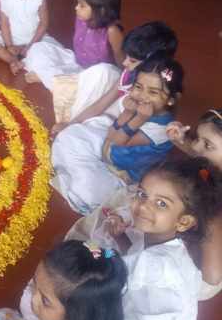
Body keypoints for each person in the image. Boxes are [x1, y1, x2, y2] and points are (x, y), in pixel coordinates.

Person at [94, 158, 221, 320]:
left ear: (183, 222)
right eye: (142, 194)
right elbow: (134, 259)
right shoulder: (166, 244)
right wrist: (119, 238)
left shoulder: (157, 267)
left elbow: (126, 266)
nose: (143, 206)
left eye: (161, 204)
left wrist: (98, 252)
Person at [51, 55, 183, 215]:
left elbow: (118, 142)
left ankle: (75, 176)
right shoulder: (138, 105)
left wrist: (139, 118)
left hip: (123, 178)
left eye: (153, 92)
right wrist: (127, 112)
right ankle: (75, 172)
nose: (142, 95)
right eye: (138, 87)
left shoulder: (162, 129)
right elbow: (111, 135)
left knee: (88, 191)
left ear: (171, 100)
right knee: (70, 135)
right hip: (108, 154)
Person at [52, 21, 178, 136]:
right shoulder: (129, 74)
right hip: (118, 119)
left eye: (132, 60)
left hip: (126, 132)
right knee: (104, 71)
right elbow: (102, 103)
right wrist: (71, 124)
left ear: (151, 64)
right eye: (127, 57)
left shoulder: (158, 95)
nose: (124, 63)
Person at [24, 0, 124, 89]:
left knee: (100, 78)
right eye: (78, 3)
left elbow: (121, 59)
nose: (76, 8)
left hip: (95, 76)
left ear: (101, 10)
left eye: (82, 5)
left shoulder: (112, 31)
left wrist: (121, 82)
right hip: (76, 64)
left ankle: (49, 79)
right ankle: (56, 81)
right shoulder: (81, 19)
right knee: (38, 48)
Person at [166, 108, 222, 299]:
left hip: (199, 276)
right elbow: (197, 153)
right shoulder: (210, 166)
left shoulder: (214, 205)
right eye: (197, 138)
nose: (196, 147)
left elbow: (212, 277)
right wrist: (179, 140)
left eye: (207, 144)